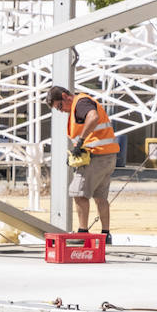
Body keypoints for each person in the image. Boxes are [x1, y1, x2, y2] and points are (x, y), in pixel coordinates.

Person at [47, 86, 120, 245]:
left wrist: (80, 142)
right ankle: (106, 234)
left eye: (60, 106)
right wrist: (76, 152)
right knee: (100, 197)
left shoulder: (80, 103)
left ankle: (82, 232)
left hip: (97, 156)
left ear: (66, 97)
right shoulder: (81, 104)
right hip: (107, 156)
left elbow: (92, 118)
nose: (61, 110)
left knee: (78, 193)